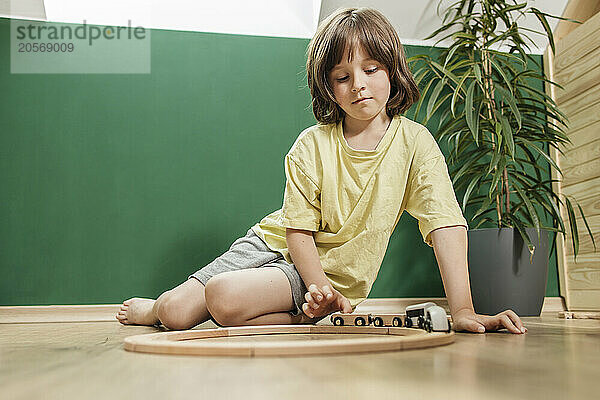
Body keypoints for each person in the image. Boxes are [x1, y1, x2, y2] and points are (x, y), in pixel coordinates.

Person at [116, 7, 527, 334]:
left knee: (223, 298)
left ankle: (312, 313)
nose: (359, 85)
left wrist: (463, 310)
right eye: (342, 77)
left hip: (335, 274)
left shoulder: (415, 143)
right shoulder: (311, 144)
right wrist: (317, 290)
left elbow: (446, 226)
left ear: (391, 70)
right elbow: (297, 231)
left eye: (371, 70)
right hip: (275, 246)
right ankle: (156, 307)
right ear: (328, 87)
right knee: (174, 312)